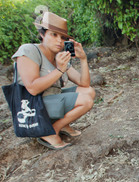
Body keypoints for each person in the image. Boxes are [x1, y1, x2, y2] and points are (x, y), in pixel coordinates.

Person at [12, 12, 95, 150]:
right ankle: (50, 131)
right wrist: (59, 70)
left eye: (63, 37)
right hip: (33, 106)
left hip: (51, 101)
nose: (59, 41)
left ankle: (60, 124)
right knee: (86, 101)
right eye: (53, 34)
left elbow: (84, 83)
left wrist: (83, 59)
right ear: (42, 34)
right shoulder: (29, 50)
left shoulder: (58, 56)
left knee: (89, 92)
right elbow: (32, 88)